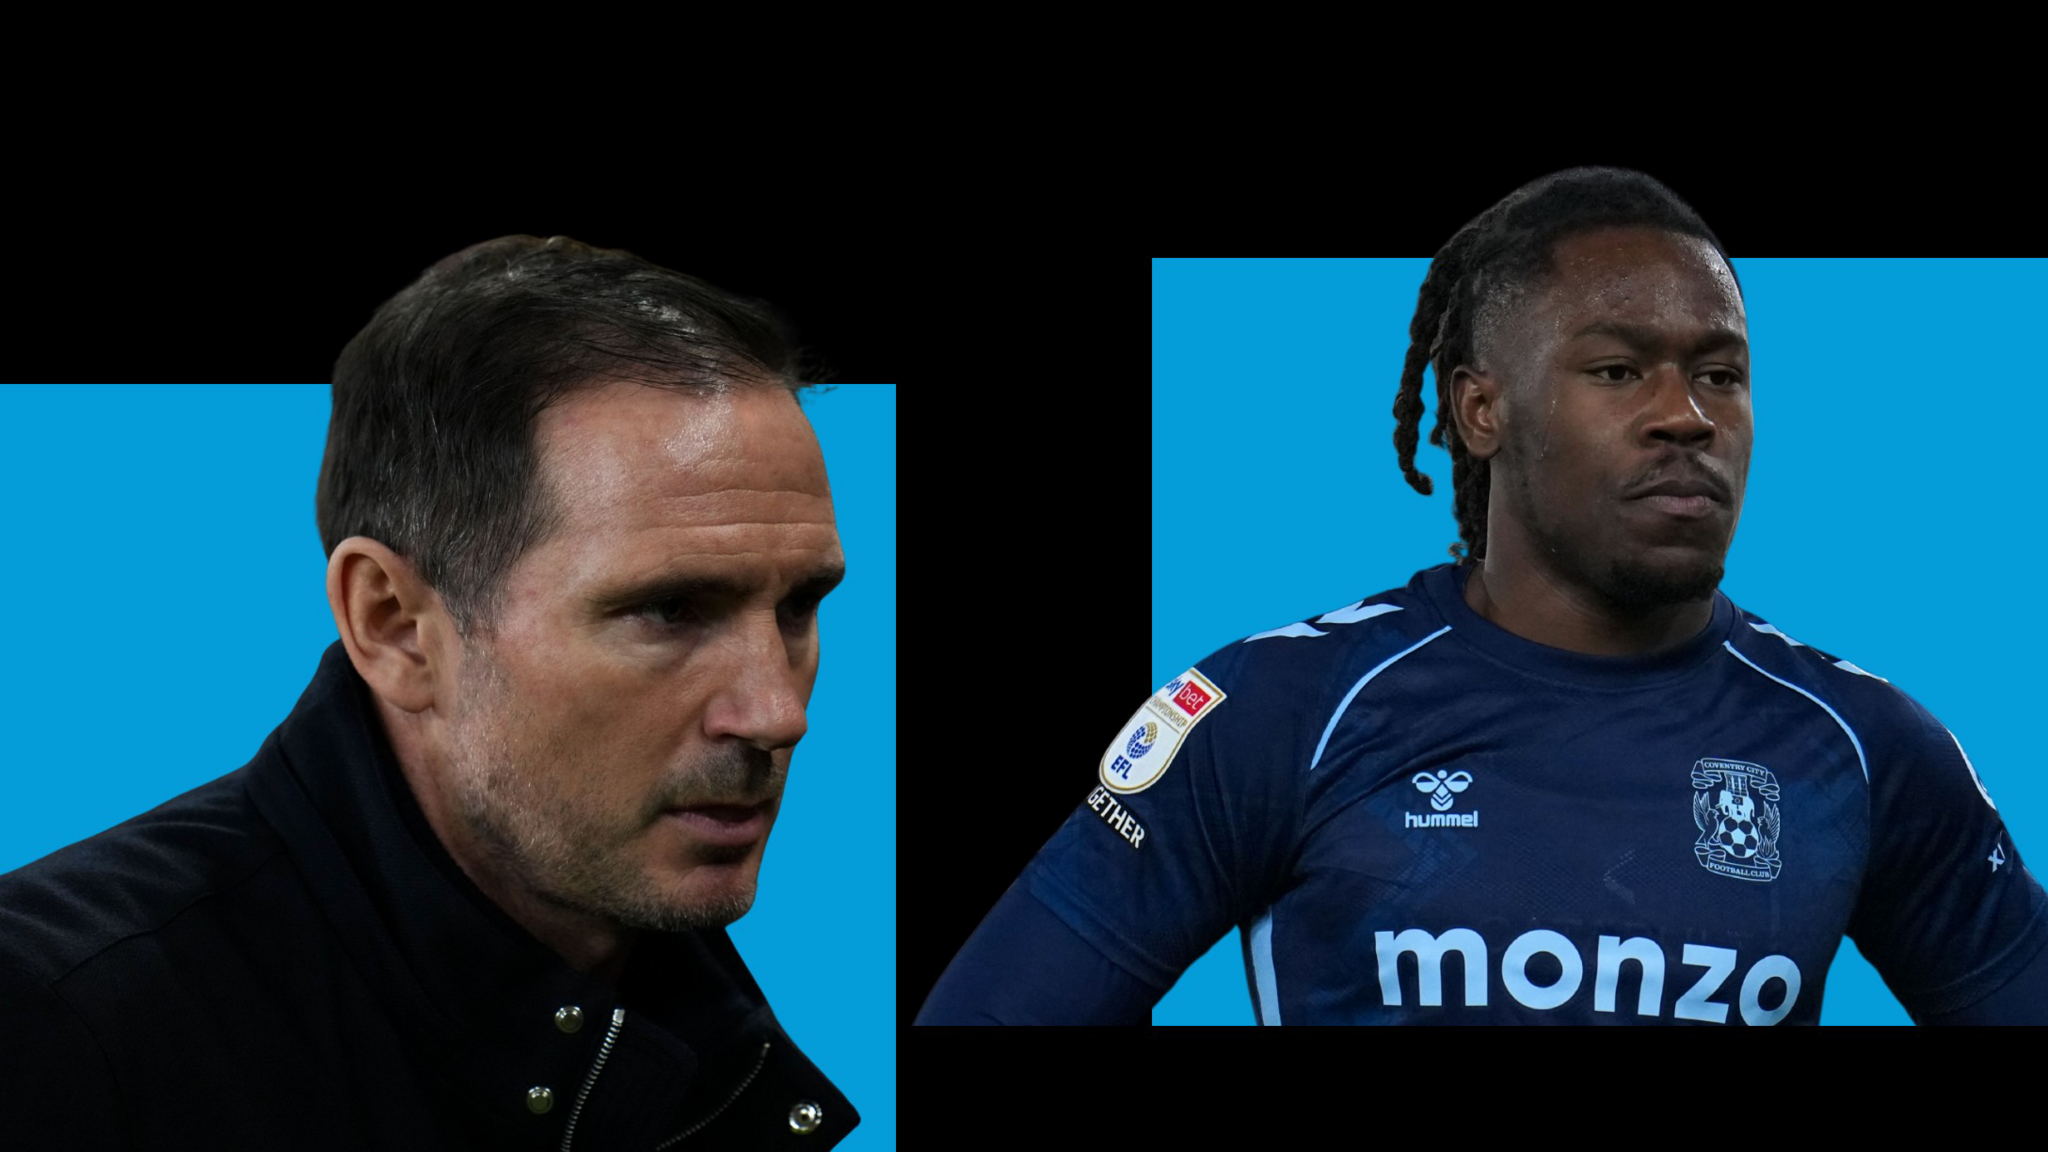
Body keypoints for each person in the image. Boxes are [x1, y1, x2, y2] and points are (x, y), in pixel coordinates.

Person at [918, 168, 2048, 1025]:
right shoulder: (1276, 710)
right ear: (1476, 410)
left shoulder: (1863, 746)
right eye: (1617, 371)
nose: (1685, 416)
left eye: (1719, 373)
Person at [0, 235, 863, 1144]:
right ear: (395, 626)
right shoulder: (53, 1026)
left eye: (801, 606)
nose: (778, 712)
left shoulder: (695, 1030)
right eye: (669, 610)